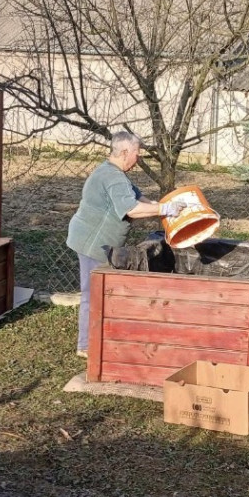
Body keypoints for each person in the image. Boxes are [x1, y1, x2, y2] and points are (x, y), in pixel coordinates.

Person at [66, 131, 184, 357]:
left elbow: (140, 200)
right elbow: (131, 209)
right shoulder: (112, 176)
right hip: (92, 241)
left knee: (100, 291)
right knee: (93, 293)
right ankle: (85, 345)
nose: (138, 158)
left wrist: (165, 207)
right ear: (124, 152)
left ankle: (98, 338)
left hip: (94, 238)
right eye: (137, 154)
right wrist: (164, 209)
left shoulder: (115, 173)